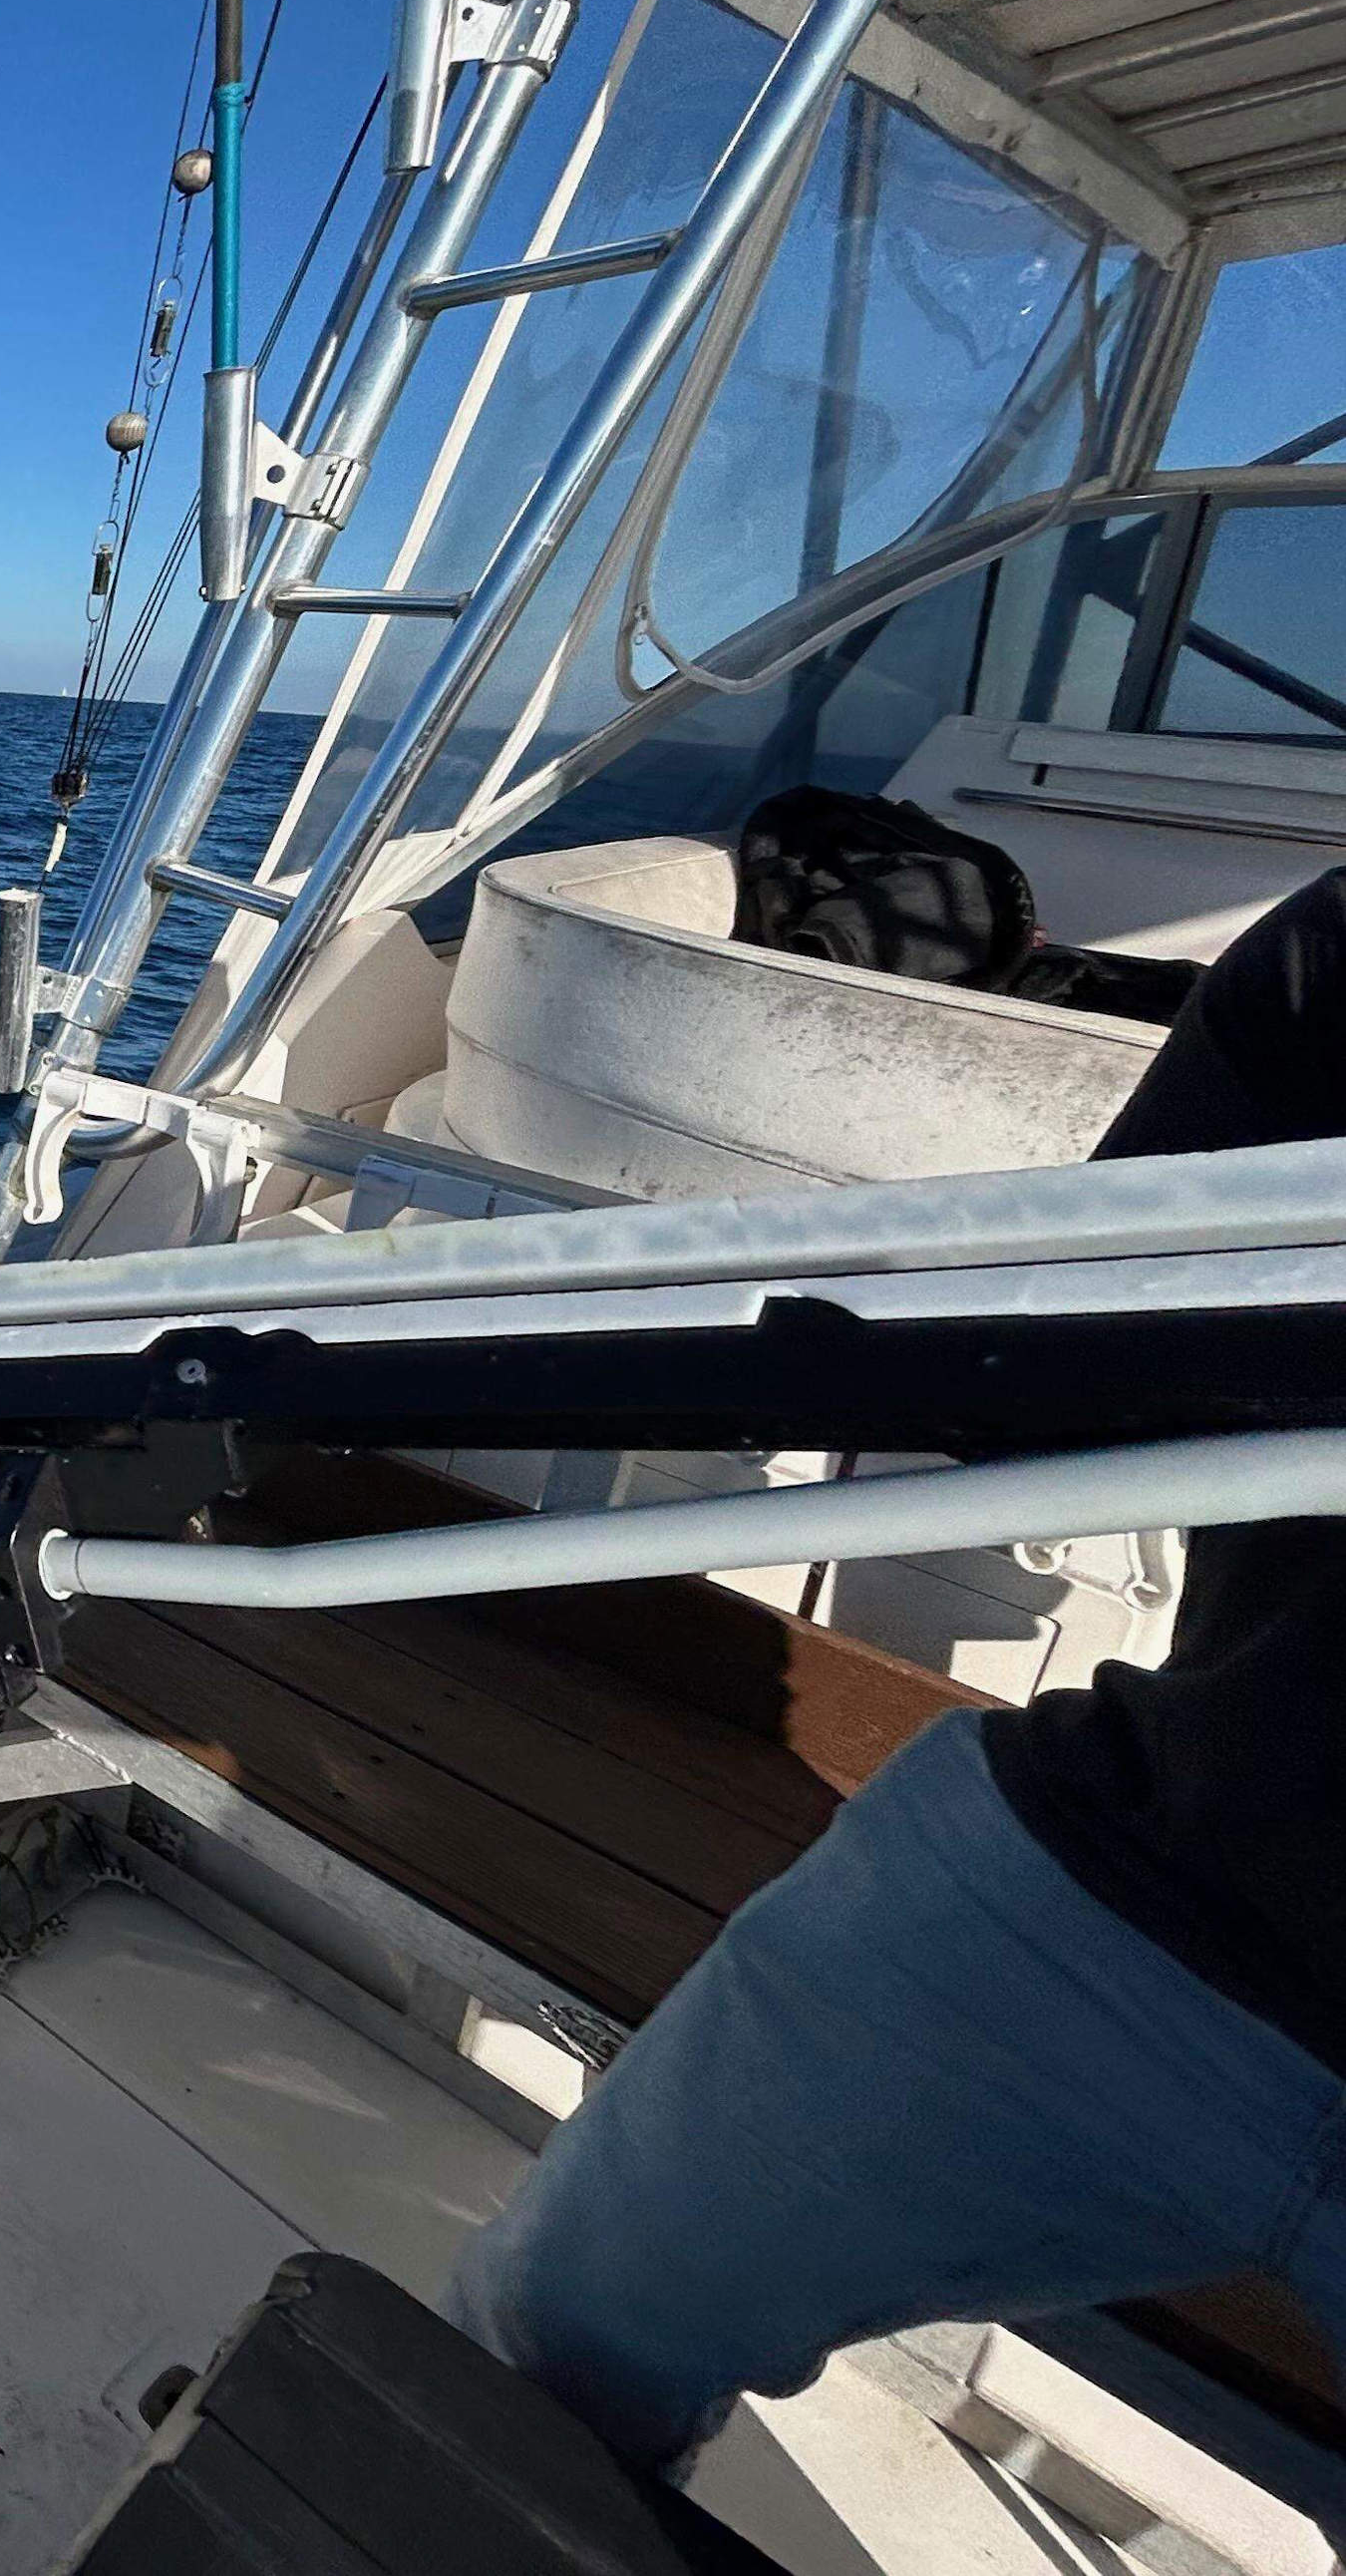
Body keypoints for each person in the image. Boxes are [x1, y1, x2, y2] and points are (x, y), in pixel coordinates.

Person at [443, 867, 1346, 2470]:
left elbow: (1054, 1375)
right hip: (1152, 1875)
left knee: (542, 2342)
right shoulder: (1332, 965)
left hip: (1158, 1887)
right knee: (533, 2347)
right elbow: (1062, 1360)